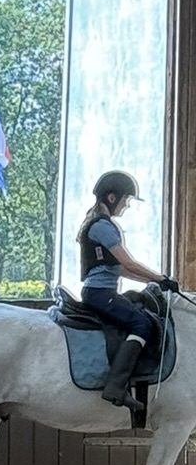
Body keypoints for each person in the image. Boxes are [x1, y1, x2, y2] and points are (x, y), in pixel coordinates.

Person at [76, 170, 179, 405]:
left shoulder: (98, 224)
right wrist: (161, 277)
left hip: (101, 291)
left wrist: (156, 282)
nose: (127, 206)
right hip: (100, 293)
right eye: (126, 200)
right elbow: (129, 263)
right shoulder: (103, 227)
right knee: (141, 323)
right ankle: (116, 386)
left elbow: (122, 270)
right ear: (112, 198)